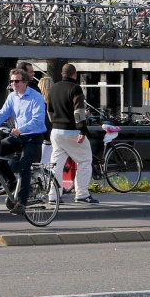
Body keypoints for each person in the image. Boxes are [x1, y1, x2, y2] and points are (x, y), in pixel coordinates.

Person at [0, 68, 48, 214]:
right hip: (19, 136)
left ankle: (21, 203)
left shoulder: (36, 97)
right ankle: (11, 182)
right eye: (12, 81)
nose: (14, 84)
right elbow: (2, 115)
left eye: (17, 81)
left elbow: (38, 120)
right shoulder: (12, 97)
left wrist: (22, 129)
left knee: (24, 166)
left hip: (33, 137)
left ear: (25, 82)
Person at [46, 63, 97, 204]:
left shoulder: (53, 88)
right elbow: (78, 112)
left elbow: (49, 112)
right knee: (85, 160)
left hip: (55, 131)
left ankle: (54, 195)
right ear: (74, 74)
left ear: (62, 74)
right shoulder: (76, 88)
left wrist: (55, 123)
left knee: (56, 165)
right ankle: (82, 194)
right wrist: (83, 129)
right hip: (72, 131)